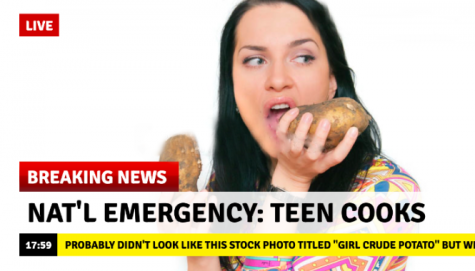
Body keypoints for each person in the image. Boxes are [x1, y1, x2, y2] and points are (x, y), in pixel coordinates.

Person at [188, 0, 420, 270]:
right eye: (255, 60)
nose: (277, 79)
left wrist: (292, 179)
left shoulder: (387, 195)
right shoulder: (230, 181)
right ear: (233, 87)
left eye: (302, 57)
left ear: (333, 81)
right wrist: (199, 251)